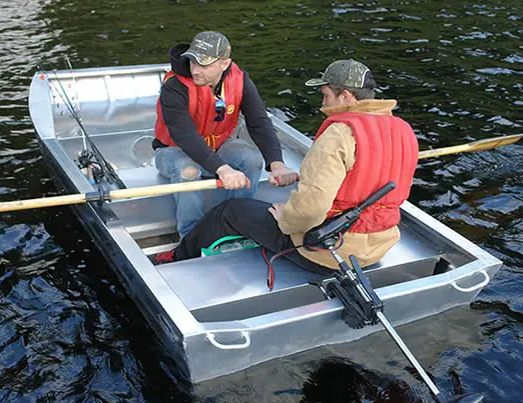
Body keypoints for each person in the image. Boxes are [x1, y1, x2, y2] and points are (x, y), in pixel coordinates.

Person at [155, 59, 419, 271]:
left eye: (326, 95)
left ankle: (180, 256)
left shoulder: (339, 134)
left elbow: (311, 210)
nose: (323, 103)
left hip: (325, 251)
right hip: (379, 246)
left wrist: (286, 219)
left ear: (347, 96)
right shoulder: (403, 130)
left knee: (229, 210)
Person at [153, 31, 297, 240]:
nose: (195, 70)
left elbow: (258, 122)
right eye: (192, 62)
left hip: (219, 146)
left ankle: (231, 224)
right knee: (189, 170)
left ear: (224, 63)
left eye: (204, 65)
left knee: (252, 159)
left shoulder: (240, 79)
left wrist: (277, 164)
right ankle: (192, 236)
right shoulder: (174, 86)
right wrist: (224, 169)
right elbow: (185, 137)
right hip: (174, 151)